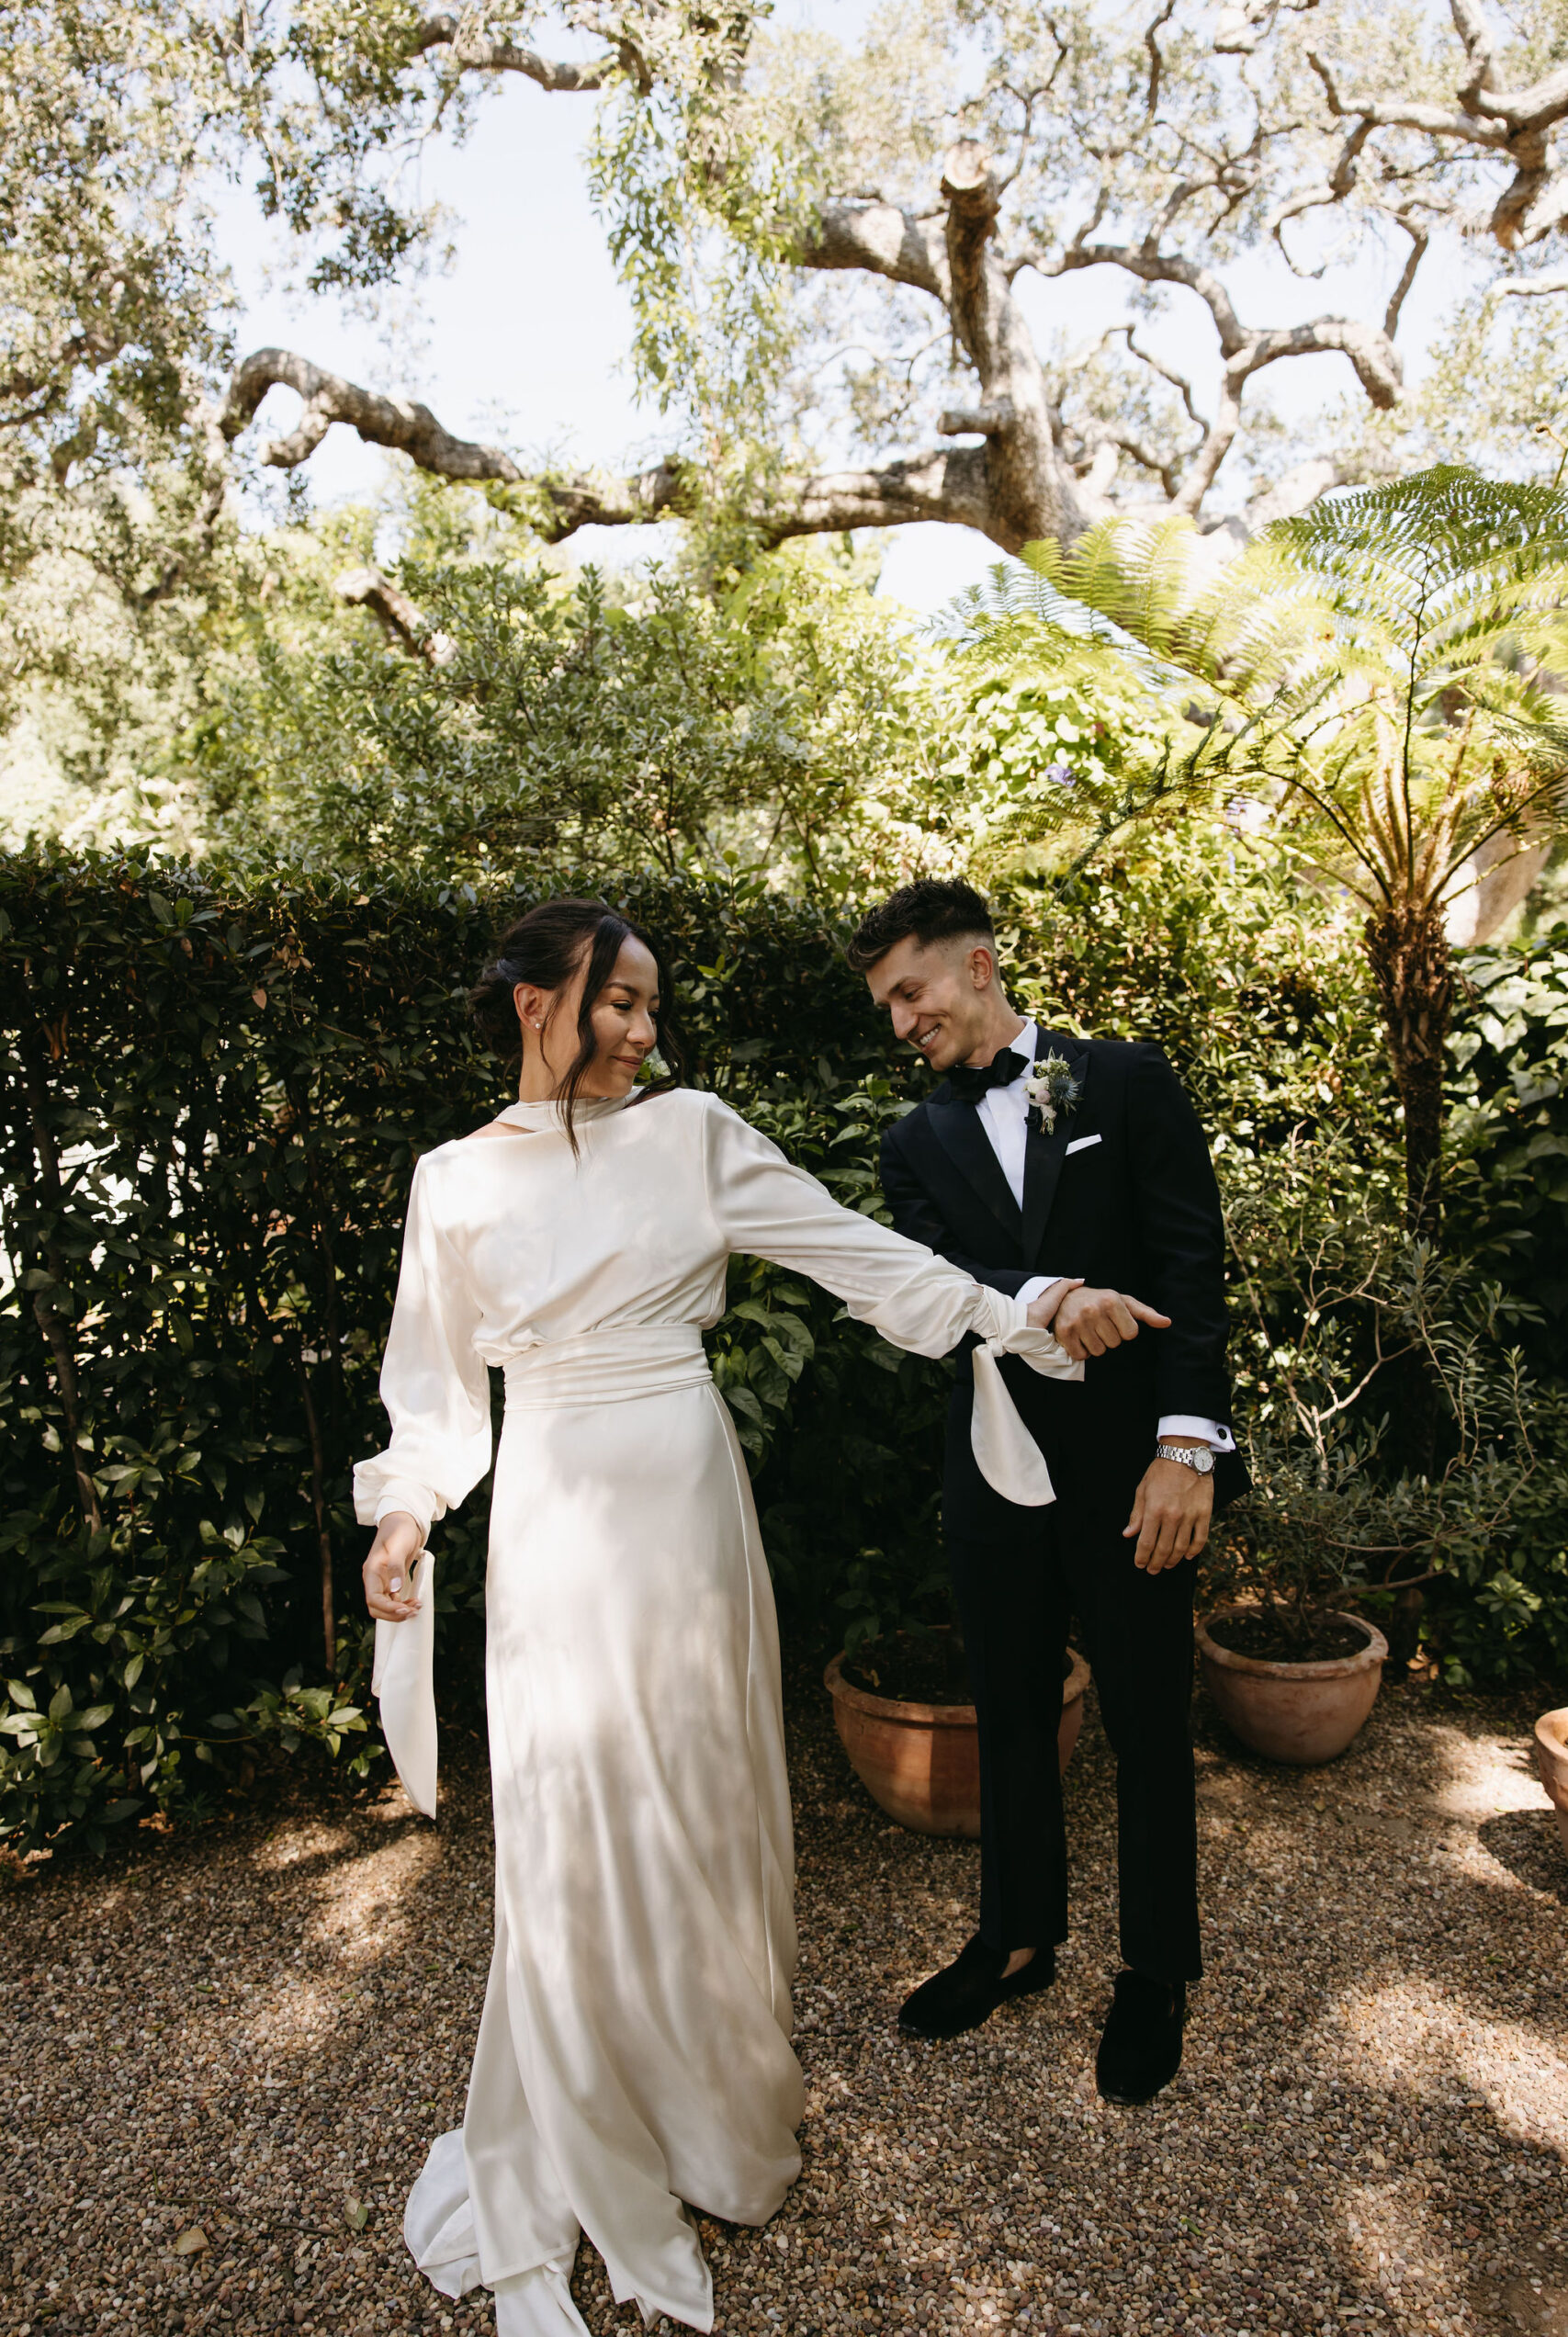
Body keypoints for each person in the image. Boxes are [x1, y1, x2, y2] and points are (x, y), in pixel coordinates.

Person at [355, 897, 1083, 2337]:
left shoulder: (695, 1134)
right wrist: (405, 1509)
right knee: (568, 1810)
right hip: (554, 1519)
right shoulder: (451, 1181)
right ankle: (577, 2111)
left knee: (696, 1795)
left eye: (649, 1008)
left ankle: (707, 2116)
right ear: (532, 1001)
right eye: (615, 1002)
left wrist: (1019, 1310)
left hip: (684, 1505)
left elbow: (854, 1253)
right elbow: (435, 1387)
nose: (641, 1031)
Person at [847, 878, 1247, 2105]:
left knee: (1142, 1718)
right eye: (886, 1007)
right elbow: (937, 1278)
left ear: (977, 965)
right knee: (1007, 1708)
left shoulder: (1120, 1081)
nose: (902, 1022)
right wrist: (1048, 1296)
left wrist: (1187, 1451)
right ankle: (1016, 1938)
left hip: (1137, 1470)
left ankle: (1155, 1967)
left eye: (910, 992)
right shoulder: (911, 1144)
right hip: (998, 1465)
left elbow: (1191, 1259)